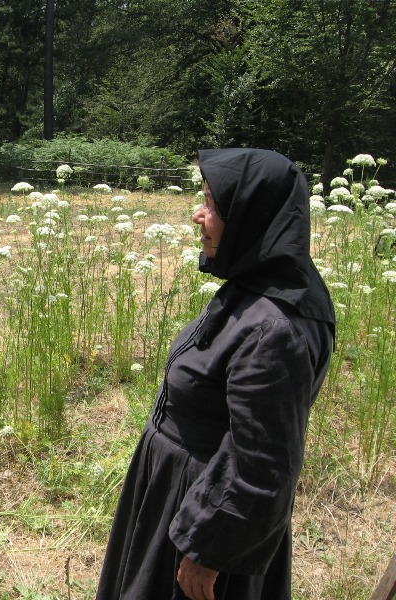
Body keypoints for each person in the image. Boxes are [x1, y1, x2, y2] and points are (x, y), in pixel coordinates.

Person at [96, 148, 336, 600]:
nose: (197, 215)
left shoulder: (273, 330)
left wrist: (209, 549)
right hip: (180, 491)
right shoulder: (262, 283)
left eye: (211, 203)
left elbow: (263, 463)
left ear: (251, 215)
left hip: (206, 508)